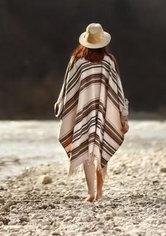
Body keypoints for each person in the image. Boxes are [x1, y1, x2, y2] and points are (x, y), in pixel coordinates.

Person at [54, 22, 129, 201]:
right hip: (104, 112)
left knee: (87, 149)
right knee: (101, 147)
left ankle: (92, 192)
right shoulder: (108, 60)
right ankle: (99, 191)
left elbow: (67, 88)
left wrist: (61, 104)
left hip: (85, 111)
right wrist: (123, 116)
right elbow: (119, 91)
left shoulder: (77, 60)